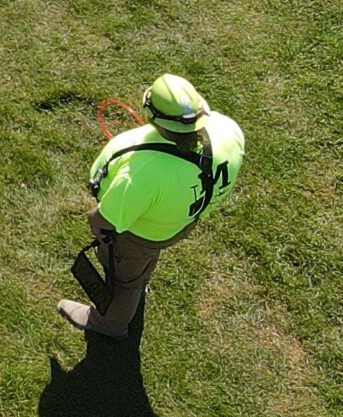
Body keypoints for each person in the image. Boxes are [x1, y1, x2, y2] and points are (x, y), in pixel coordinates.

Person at [60, 74, 245, 339]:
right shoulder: (229, 130)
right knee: (147, 256)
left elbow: (103, 221)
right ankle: (141, 279)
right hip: (179, 224)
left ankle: (110, 323)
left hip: (139, 236)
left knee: (124, 281)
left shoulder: (141, 175)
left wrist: (94, 219)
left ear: (151, 115)